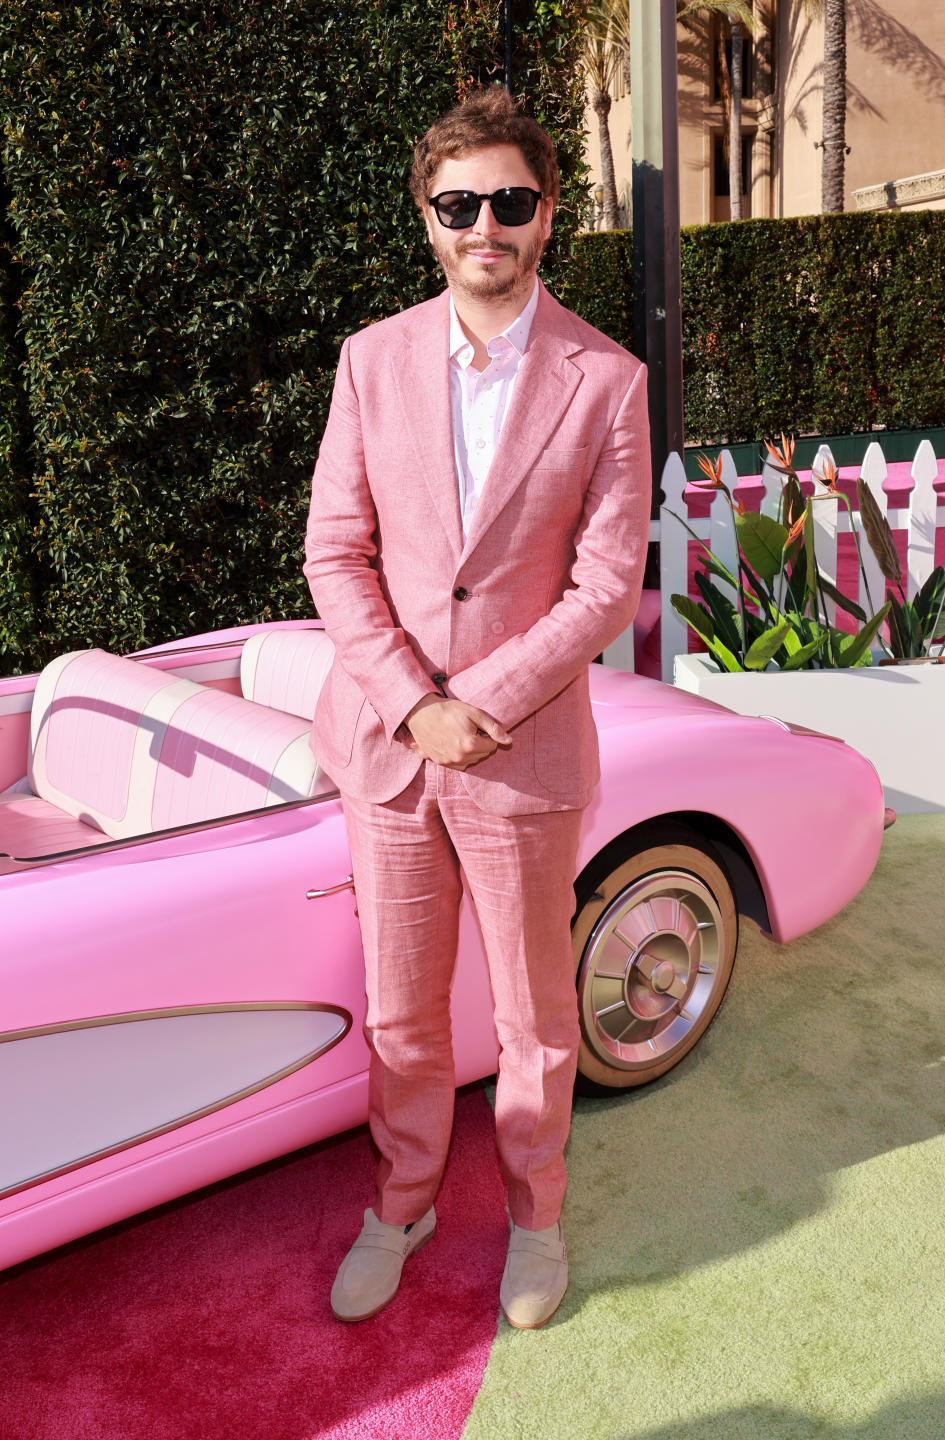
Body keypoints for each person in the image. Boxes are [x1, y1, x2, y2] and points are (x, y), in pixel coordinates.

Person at [303, 84, 651, 1329]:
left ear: (546, 215)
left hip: (520, 753)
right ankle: (402, 1204)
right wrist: (413, 702)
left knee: (535, 1015)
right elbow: (335, 554)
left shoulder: (606, 379)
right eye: (461, 204)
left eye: (510, 201)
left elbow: (608, 580)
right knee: (401, 1015)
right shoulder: (369, 361)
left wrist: (479, 701)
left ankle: (537, 1219)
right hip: (391, 753)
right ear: (429, 217)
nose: (484, 224)